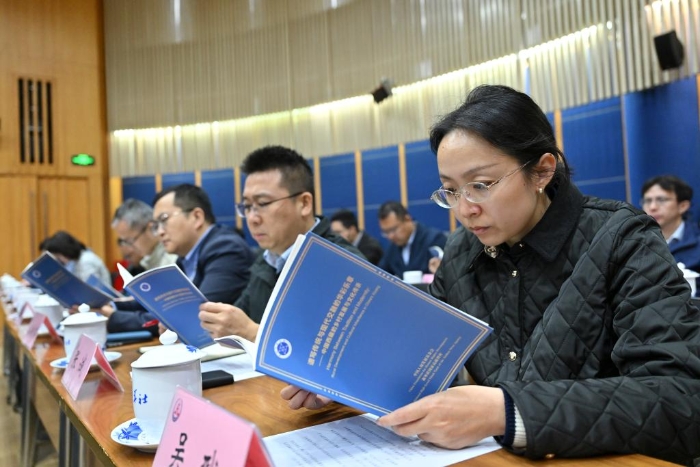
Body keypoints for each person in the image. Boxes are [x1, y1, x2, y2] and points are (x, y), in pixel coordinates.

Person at [281, 85, 700, 464]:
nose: (465, 209)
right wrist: (352, 380)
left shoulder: (622, 239)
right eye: (451, 190)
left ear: (542, 171)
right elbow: (427, 363)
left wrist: (507, 411)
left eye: (481, 184)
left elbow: (681, 398)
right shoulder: (461, 252)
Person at [197, 146, 363, 341]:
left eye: (263, 204)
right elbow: (237, 322)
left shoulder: (343, 264)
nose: (252, 219)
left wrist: (251, 332)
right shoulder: (266, 260)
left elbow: (339, 350)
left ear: (304, 204)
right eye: (247, 206)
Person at [104, 184, 255, 332]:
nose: (160, 232)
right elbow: (160, 300)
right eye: (156, 225)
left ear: (197, 217)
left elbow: (194, 315)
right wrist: (114, 305)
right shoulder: (185, 258)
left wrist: (115, 318)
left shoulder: (225, 249)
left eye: (164, 220)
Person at [641, 175, 700, 272]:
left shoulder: (697, 241)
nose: (652, 207)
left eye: (661, 200)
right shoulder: (635, 242)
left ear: (683, 206)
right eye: (648, 201)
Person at [376, 201, 447, 277]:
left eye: (394, 229)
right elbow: (380, 274)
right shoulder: (392, 249)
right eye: (386, 232)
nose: (390, 236)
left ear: (407, 219)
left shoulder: (434, 239)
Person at [111, 198, 177, 271]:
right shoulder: (147, 261)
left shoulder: (173, 259)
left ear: (150, 228)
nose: (130, 248)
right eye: (125, 242)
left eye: (130, 240)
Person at [40, 231, 111, 284]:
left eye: (58, 257)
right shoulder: (76, 262)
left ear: (65, 251)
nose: (59, 260)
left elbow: (92, 289)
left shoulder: (86, 261)